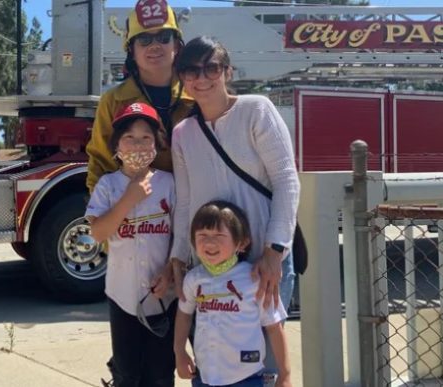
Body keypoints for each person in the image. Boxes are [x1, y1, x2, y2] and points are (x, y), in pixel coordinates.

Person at [169, 36, 300, 313]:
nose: (201, 78)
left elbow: (286, 180)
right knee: (214, 350)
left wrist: (274, 252)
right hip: (209, 262)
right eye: (191, 71)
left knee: (265, 352)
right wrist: (178, 258)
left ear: (227, 71)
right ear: (182, 77)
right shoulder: (182, 133)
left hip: (261, 259)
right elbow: (184, 201)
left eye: (211, 68)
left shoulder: (256, 110)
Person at [86, 102, 177, 387]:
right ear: (116, 145)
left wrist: (170, 270)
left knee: (161, 374)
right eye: (129, 138)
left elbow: (181, 234)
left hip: (163, 298)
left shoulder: (169, 183)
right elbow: (97, 233)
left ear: (157, 144)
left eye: (146, 138)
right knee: (127, 375)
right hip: (121, 297)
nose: (137, 145)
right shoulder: (108, 185)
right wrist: (129, 199)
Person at [174, 200, 292, 387]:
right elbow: (184, 315)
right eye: (202, 235)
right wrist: (179, 353)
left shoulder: (255, 280)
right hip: (204, 377)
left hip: (247, 378)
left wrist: (285, 375)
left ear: (242, 243)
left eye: (219, 235)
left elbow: (274, 327)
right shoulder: (193, 279)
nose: (209, 242)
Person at [86, 0, 195, 193]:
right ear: (132, 50)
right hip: (141, 217)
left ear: (176, 45)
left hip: (195, 211)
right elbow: (101, 166)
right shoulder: (113, 102)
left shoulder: (197, 94)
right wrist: (102, 216)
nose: (154, 46)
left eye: (163, 37)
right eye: (144, 39)